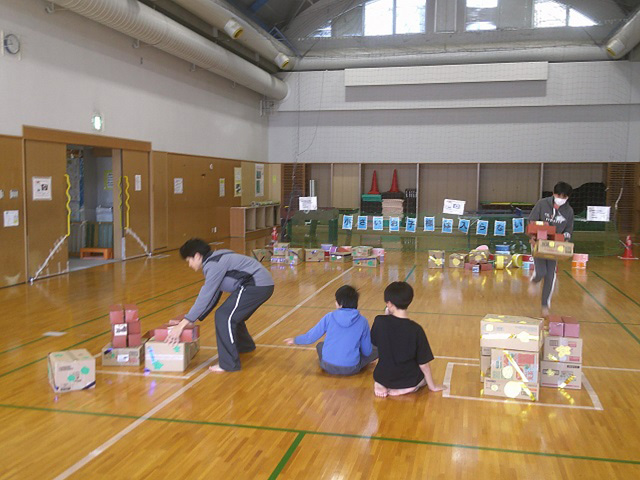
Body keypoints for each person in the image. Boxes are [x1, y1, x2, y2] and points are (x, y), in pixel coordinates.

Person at [166, 238, 274, 373]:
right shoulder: (216, 258)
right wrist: (191, 319)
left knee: (224, 316)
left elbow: (205, 296)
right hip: (261, 285)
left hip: (255, 285)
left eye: (189, 260)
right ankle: (245, 346)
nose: (189, 265)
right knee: (232, 315)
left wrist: (183, 324)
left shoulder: (213, 265)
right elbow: (213, 295)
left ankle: (229, 364)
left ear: (197, 256)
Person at [370, 282, 444, 398]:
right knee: (423, 379)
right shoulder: (416, 329)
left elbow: (374, 342)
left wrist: (386, 316)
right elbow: (424, 365)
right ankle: (407, 388)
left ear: (389, 304)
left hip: (383, 375)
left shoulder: (379, 321)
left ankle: (380, 383)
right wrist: (432, 386)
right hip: (407, 379)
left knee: (383, 369)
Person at [284, 285, 377, 375]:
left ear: (340, 304)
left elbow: (310, 338)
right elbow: (367, 351)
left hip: (327, 366)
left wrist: (295, 340)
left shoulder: (329, 317)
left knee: (320, 345)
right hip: (352, 368)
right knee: (376, 350)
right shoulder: (363, 321)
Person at [528, 181, 574, 317]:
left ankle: (545, 305)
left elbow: (568, 230)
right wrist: (532, 236)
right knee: (541, 271)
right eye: (559, 196)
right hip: (539, 244)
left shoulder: (569, 211)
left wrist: (564, 239)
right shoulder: (542, 204)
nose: (561, 199)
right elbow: (531, 221)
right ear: (554, 194)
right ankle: (534, 280)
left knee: (550, 275)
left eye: (564, 197)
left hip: (555, 247)